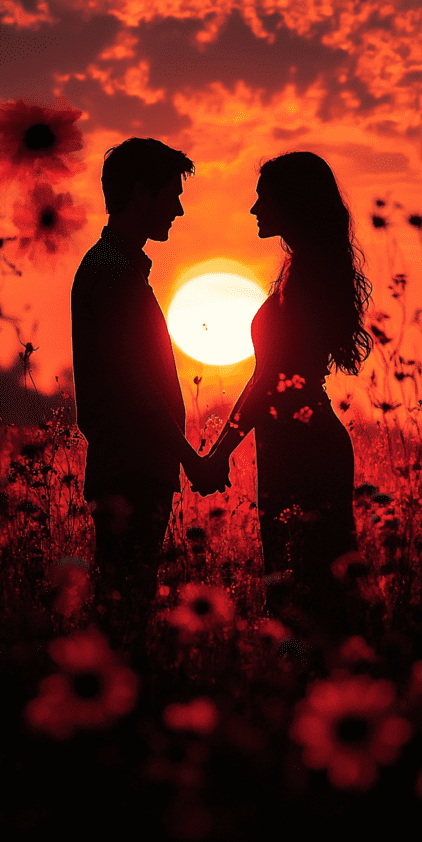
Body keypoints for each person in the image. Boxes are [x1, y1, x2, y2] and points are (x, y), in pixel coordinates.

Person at [192, 151, 374, 643]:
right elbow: (268, 377)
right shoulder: (303, 271)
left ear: (291, 203)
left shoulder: (309, 278)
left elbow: (269, 378)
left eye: (262, 198)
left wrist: (218, 455)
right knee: (303, 585)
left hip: (303, 444)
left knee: (306, 591)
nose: (253, 209)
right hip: (296, 439)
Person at [70, 137, 230, 674]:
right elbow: (135, 385)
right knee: (123, 615)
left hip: (130, 467)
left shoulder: (118, 267)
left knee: (123, 607)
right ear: (140, 194)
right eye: (171, 195)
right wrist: (189, 457)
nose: (178, 208)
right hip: (130, 470)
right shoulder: (115, 273)